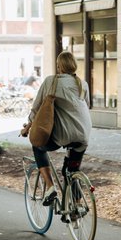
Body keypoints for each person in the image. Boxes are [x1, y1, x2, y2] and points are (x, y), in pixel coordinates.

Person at [20, 51, 92, 206]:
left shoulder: (51, 81)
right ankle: (77, 206)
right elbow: (86, 106)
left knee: (38, 145)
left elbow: (37, 108)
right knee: (71, 171)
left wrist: (28, 127)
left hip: (63, 135)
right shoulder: (83, 84)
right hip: (83, 135)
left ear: (59, 66)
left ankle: (50, 188)